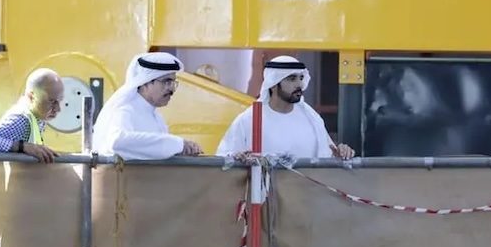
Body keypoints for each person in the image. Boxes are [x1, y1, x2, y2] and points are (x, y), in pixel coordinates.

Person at [216, 55, 355, 159]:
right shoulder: (250, 119)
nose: (299, 85)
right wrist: (237, 158)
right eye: (291, 79)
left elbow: (328, 157)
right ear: (274, 83)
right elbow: (224, 159)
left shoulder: (312, 119)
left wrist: (341, 154)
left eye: (301, 78)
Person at [92, 52, 202, 159]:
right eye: (166, 82)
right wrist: (178, 144)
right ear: (145, 83)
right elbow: (117, 141)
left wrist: (179, 150)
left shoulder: (157, 117)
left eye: (173, 83)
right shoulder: (124, 111)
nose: (171, 89)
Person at [0, 68, 64, 163]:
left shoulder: (38, 115)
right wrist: (22, 146)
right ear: (31, 96)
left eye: (60, 100)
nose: (58, 109)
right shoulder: (21, 120)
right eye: (52, 101)